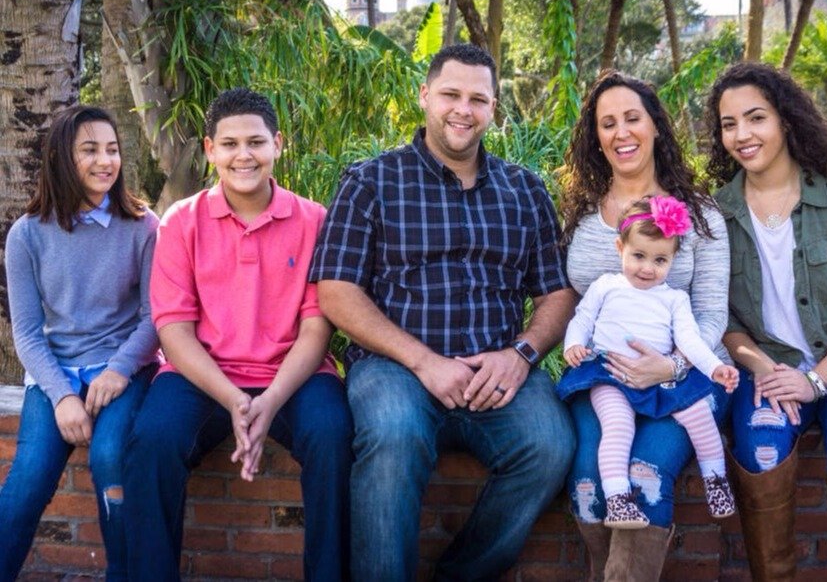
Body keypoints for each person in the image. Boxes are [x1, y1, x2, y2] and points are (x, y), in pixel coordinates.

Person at [309, 43, 576, 581]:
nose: (463, 109)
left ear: (494, 108)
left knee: (550, 446)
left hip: (496, 369)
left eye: (478, 99)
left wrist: (520, 355)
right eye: (451, 94)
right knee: (393, 437)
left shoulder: (525, 191)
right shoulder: (371, 182)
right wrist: (424, 362)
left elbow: (557, 294)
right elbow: (336, 292)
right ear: (425, 96)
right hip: (396, 368)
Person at [123, 88, 353, 581]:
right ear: (210, 149)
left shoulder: (315, 220)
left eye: (255, 142)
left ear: (278, 145)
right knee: (152, 440)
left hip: (294, 374)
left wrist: (268, 402)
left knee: (333, 436)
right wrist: (233, 398)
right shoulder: (181, 221)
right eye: (229, 144)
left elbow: (316, 328)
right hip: (201, 375)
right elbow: (173, 329)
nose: (242, 155)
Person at [707, 61, 827, 581]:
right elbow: (722, 318)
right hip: (769, 368)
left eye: (756, 118)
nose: (742, 135)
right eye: (729, 124)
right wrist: (764, 369)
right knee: (763, 454)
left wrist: (813, 381)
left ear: (785, 119)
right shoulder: (718, 215)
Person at [560, 70, 731, 580]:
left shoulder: (699, 215)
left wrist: (671, 366)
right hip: (603, 378)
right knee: (589, 482)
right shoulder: (582, 213)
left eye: (632, 118)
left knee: (645, 475)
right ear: (596, 137)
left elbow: (711, 313)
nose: (621, 132)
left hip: (685, 378)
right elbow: (572, 302)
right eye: (607, 123)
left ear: (655, 124)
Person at [0, 106, 159, 580]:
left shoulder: (144, 225)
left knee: (111, 457)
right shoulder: (27, 234)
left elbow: (155, 318)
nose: (105, 161)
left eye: (112, 149)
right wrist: (63, 395)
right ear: (60, 158)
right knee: (28, 479)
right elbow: (27, 333)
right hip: (57, 373)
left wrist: (119, 370)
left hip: (124, 370)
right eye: (90, 150)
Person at [558, 196, 738, 529]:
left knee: (698, 415)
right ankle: (618, 499)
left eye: (660, 260)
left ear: (672, 260)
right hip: (610, 375)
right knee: (618, 425)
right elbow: (582, 319)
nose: (647, 268)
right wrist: (574, 345)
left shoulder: (674, 299)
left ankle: (716, 481)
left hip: (660, 376)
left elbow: (690, 341)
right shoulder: (606, 286)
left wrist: (715, 367)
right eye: (638, 256)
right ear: (620, 248)